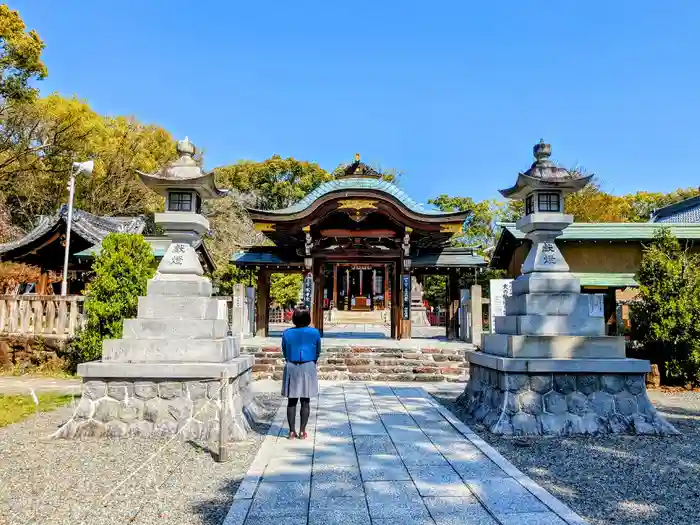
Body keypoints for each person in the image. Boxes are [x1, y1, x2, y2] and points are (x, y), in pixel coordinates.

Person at [281, 307, 321, 439]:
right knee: (305, 400)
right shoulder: (314, 333)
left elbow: (285, 350)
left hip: (292, 365)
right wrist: (313, 360)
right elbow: (317, 350)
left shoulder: (286, 333)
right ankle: (302, 431)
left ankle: (292, 431)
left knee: (291, 401)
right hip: (308, 364)